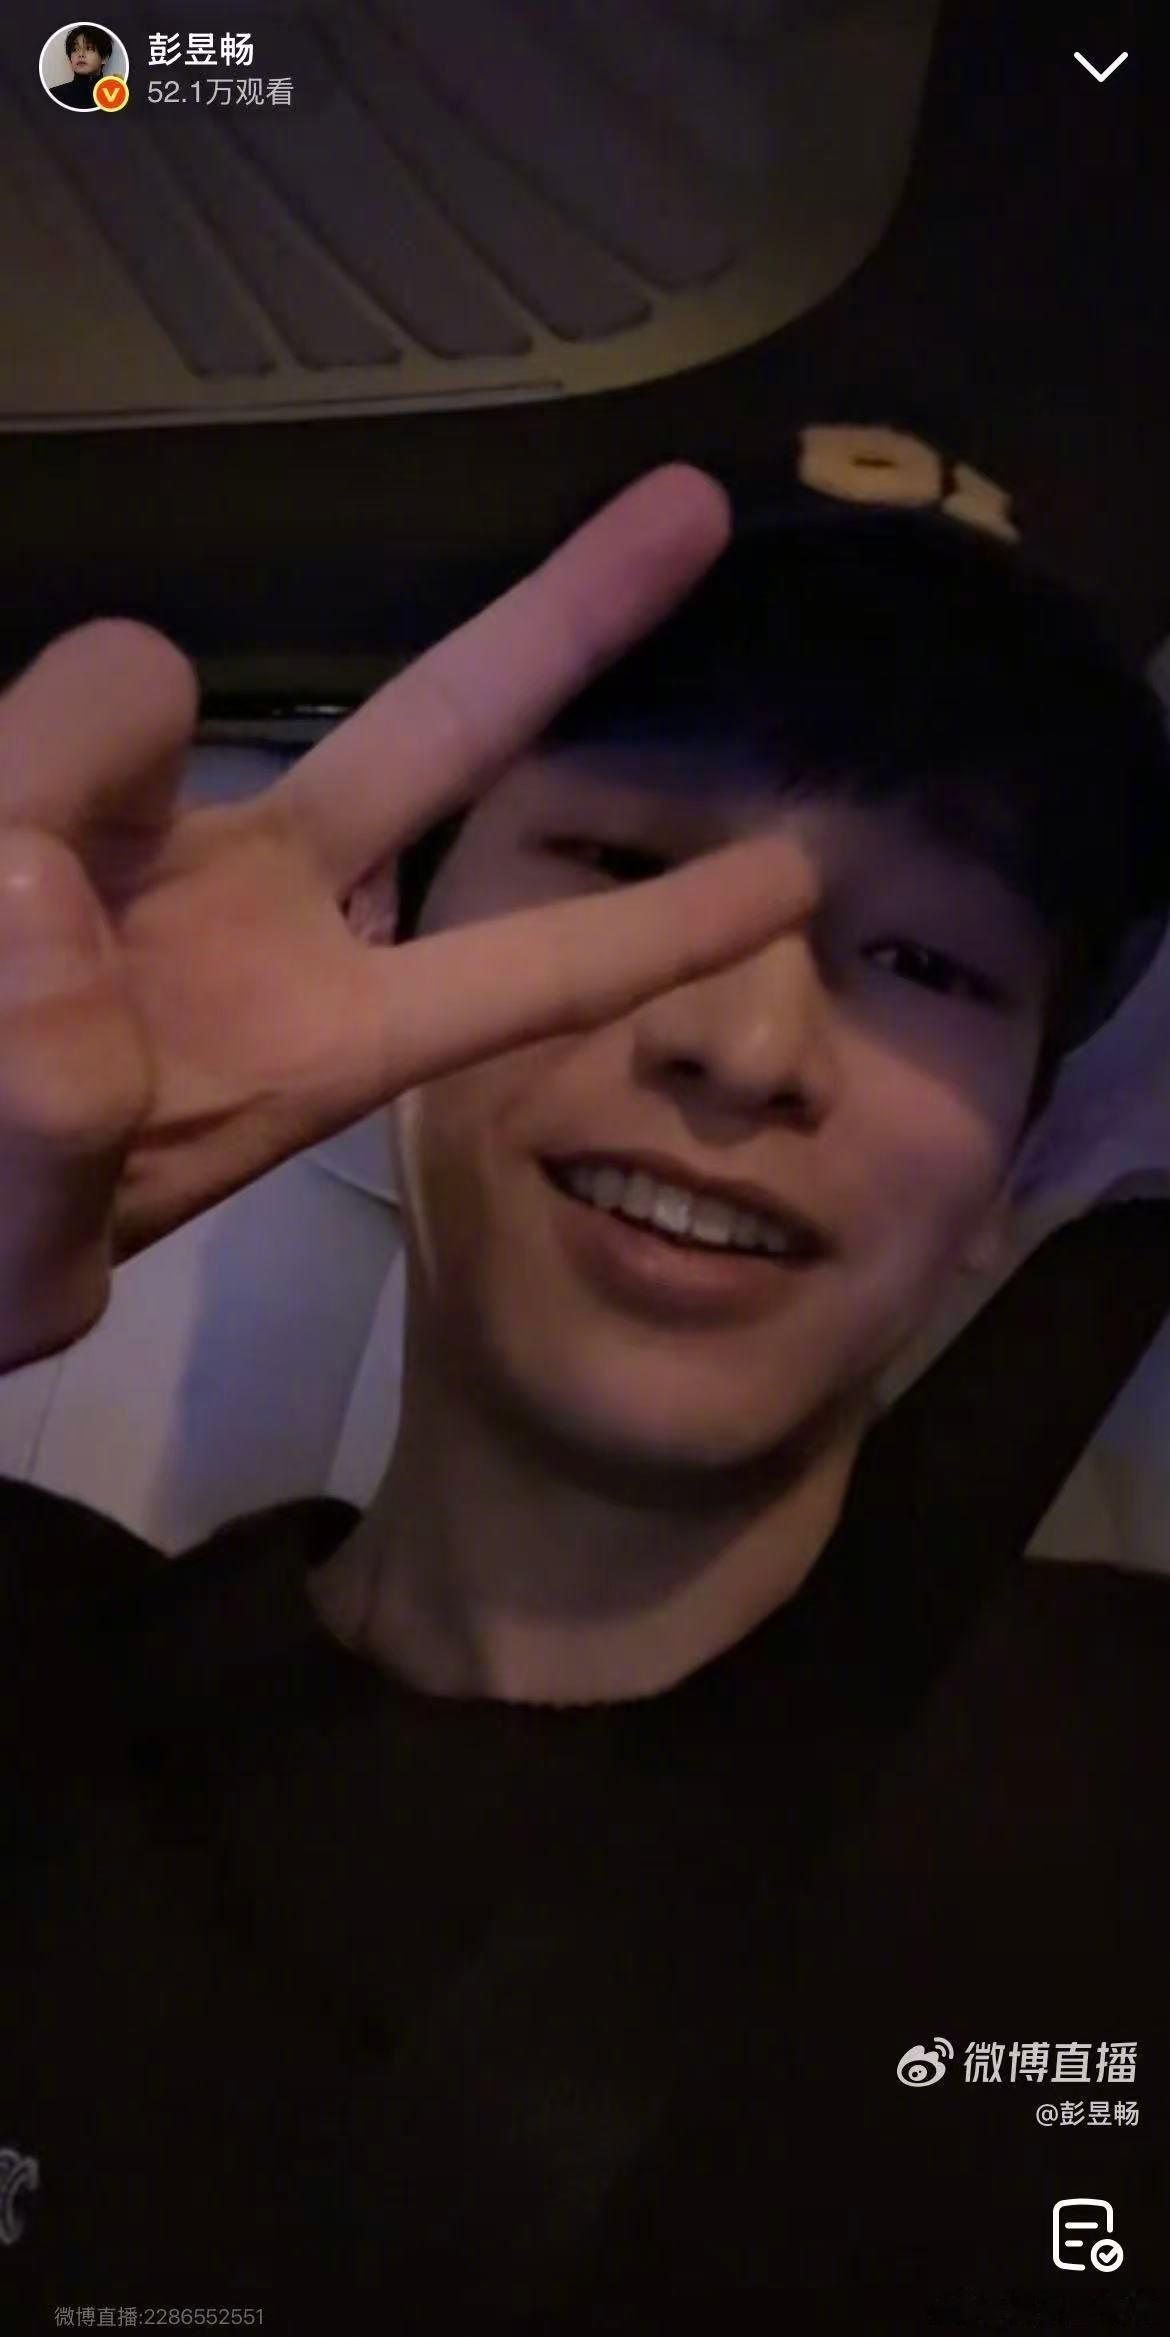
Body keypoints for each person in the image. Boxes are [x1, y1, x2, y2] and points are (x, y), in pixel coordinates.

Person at [2, 436, 1170, 2331]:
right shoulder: (35, 1668)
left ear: (1006, 1175)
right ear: (386, 932)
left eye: (924, 960)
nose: (747, 1043)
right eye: (626, 869)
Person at [49, 23, 114, 107]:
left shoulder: (115, 95)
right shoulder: (54, 95)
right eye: (75, 49)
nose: (80, 54)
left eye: (89, 48)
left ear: (104, 58)